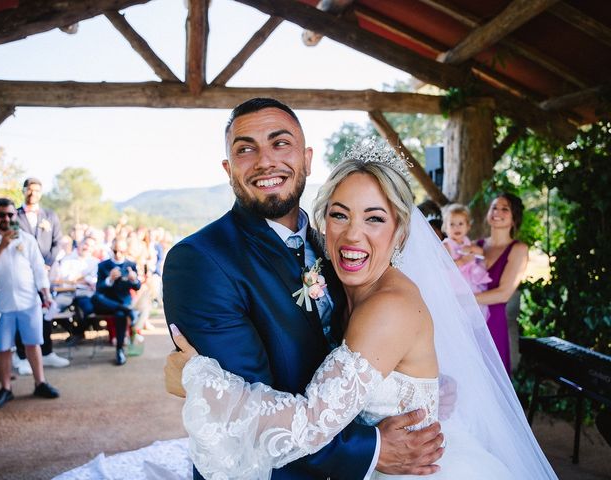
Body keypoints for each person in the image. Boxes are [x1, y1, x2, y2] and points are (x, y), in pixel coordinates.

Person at [167, 141, 557, 479]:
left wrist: (198, 382)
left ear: (400, 231)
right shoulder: (339, 277)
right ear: (323, 223)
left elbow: (309, 423)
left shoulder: (389, 306)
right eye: (340, 215)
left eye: (374, 218)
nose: (353, 234)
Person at [162, 98, 444, 479]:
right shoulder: (200, 261)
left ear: (307, 159)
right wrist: (371, 449)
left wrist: (194, 384)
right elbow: (250, 413)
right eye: (246, 149)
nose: (265, 161)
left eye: (280, 143)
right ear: (229, 169)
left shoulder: (338, 255)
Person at [0, 198, 60, 409]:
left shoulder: (27, 239)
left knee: (33, 343)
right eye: (2, 214)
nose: (6, 218)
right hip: (1, 303)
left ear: (15, 216)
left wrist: (45, 293)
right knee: (3, 348)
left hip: (28, 300)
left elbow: (38, 268)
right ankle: (6, 388)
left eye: (10, 214)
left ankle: (40, 382)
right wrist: (3, 245)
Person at [15, 177, 69, 371]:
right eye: (30, 190)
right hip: (22, 273)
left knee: (45, 312)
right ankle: (22, 357)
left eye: (37, 190)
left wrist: (46, 264)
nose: (33, 193)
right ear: (23, 191)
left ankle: (47, 352)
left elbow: (58, 242)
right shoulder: (14, 214)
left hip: (46, 273)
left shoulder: (50, 215)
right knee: (23, 313)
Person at [474, 193, 529, 374]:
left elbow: (503, 293)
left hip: (494, 324)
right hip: (467, 322)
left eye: (505, 209)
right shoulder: (474, 246)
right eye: (494, 207)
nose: (497, 212)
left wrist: (461, 300)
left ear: (514, 218)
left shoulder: (518, 249)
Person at [91, 237, 141, 366]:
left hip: (123, 303)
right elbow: (99, 288)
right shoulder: (103, 265)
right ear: (111, 250)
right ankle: (129, 311)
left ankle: (120, 350)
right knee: (95, 297)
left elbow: (137, 286)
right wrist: (109, 279)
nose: (117, 254)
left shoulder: (131, 265)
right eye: (114, 251)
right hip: (107, 303)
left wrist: (133, 279)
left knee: (120, 314)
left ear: (125, 250)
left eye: (120, 251)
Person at [441, 203, 490, 318]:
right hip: (455, 283)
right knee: (458, 311)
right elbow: (445, 267)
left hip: (469, 281)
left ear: (468, 226)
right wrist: (462, 261)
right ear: (445, 228)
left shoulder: (468, 242)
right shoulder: (447, 245)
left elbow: (481, 252)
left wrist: (472, 248)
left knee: (472, 310)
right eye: (452, 224)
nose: (456, 227)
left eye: (460, 224)